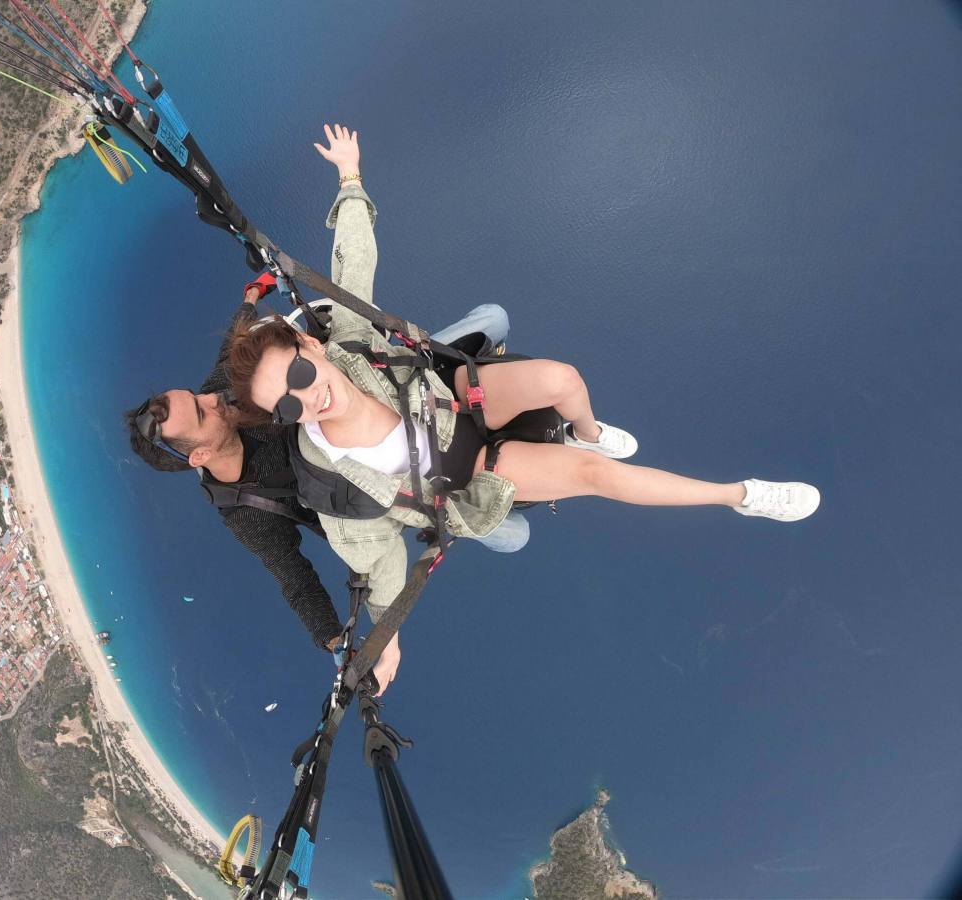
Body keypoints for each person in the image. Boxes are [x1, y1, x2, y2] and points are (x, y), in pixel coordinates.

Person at [228, 123, 821, 695]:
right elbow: (380, 571)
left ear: (310, 344)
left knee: (564, 379)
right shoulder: (335, 490)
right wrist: (387, 642)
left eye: (300, 374)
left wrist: (350, 179)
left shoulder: (349, 343)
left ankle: (585, 433)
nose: (308, 398)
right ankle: (741, 496)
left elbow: (351, 263)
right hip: (471, 472)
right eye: (286, 406)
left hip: (452, 399)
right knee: (597, 478)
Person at [126, 259, 528, 657]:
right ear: (199, 455)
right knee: (514, 535)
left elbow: (233, 345)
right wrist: (337, 643)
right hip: (401, 487)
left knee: (493, 319)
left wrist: (253, 294)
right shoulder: (246, 510)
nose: (211, 398)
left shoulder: (223, 393)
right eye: (201, 412)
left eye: (196, 396)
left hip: (391, 402)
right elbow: (294, 578)